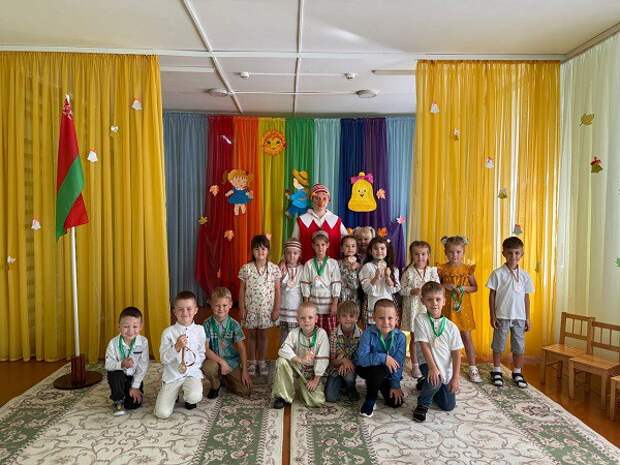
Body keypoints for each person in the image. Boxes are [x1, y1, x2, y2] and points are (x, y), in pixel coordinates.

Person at [487, 236, 534, 388]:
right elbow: (492, 295)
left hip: (519, 317)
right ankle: (496, 370)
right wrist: (492, 315)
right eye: (510, 253)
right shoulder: (497, 273)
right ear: (503, 254)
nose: (513, 256)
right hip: (502, 316)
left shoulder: (525, 275)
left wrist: (527, 317)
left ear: (522, 254)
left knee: (519, 346)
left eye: (517, 253)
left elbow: (526, 297)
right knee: (498, 345)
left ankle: (517, 372)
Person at [413, 281, 464, 422]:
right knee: (435, 381)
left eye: (438, 299)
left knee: (448, 406)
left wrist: (455, 378)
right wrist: (432, 368)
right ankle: (423, 404)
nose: (434, 303)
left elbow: (456, 354)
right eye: (429, 299)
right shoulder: (420, 319)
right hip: (427, 363)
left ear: (444, 301)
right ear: (423, 301)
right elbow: (424, 345)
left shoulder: (451, 327)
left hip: (444, 368)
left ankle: (425, 384)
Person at [154, 291, 207, 419]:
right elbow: (163, 359)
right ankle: (171, 391)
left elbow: (201, 352)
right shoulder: (168, 332)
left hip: (191, 373)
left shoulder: (200, 330)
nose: (185, 313)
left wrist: (194, 367)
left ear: (195, 310)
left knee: (194, 396)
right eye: (180, 309)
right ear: (174, 312)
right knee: (162, 413)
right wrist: (176, 347)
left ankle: (188, 395)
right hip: (173, 375)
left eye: (189, 309)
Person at [437, 235, 482, 383]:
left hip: (463, 309)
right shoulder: (442, 269)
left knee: (466, 337)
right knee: (445, 337)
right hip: (447, 309)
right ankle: (445, 366)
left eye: (458, 252)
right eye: (451, 252)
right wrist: (445, 286)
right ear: (446, 252)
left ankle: (472, 367)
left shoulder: (467, 269)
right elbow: (436, 287)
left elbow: (475, 287)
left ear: (463, 252)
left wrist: (463, 288)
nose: (454, 255)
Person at [272, 302, 329, 408]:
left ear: (316, 319)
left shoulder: (321, 334)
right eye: (302, 318)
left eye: (310, 317)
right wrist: (299, 359)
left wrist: (316, 380)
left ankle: (301, 387)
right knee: (281, 361)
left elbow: (323, 359)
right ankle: (283, 396)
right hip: (297, 367)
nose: (306, 321)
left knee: (317, 402)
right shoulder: (294, 333)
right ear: (297, 320)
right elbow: (283, 349)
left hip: (312, 374)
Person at [239, 234, 281, 376]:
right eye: (257, 249)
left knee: (263, 336)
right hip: (250, 310)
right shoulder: (246, 268)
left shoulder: (274, 269)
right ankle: (252, 361)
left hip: (266, 310)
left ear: (268, 250)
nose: (260, 252)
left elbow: (277, 290)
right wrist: (242, 308)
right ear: (252, 251)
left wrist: (276, 309)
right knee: (251, 336)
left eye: (263, 249)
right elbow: (242, 290)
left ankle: (261, 361)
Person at [355, 299, 406, 417]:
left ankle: (379, 384)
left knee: (395, 402)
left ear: (396, 319)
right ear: (374, 318)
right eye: (381, 318)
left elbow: (398, 363)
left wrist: (395, 385)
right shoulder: (367, 334)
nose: (386, 322)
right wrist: (383, 358)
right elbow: (361, 359)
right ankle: (370, 400)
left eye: (390, 318)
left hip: (386, 372)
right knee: (379, 369)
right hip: (366, 368)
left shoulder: (401, 337)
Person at [400, 240, 440, 379]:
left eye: (423, 254)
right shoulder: (408, 272)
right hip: (414, 309)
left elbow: (438, 288)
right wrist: (412, 291)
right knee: (415, 338)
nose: (420, 257)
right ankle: (415, 365)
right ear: (411, 255)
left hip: (428, 308)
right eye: (416, 254)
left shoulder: (432, 271)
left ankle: (430, 363)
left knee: (430, 337)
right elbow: (401, 290)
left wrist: (430, 291)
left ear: (428, 255)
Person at [202, 287, 252, 398]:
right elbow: (206, 349)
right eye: (217, 305)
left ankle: (224, 379)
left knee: (245, 391)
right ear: (211, 305)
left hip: (231, 362)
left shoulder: (234, 324)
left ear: (230, 305)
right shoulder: (207, 324)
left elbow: (242, 349)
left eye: (224, 305)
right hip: (214, 360)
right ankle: (215, 385)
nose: (221, 309)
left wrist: (244, 371)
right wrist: (222, 362)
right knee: (208, 367)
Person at [105, 306, 149, 416]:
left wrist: (135, 387)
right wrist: (121, 364)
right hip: (119, 376)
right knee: (115, 374)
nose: (130, 331)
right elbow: (108, 365)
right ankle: (118, 400)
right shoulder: (113, 343)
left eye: (135, 326)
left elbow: (143, 366)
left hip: (133, 377)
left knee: (132, 405)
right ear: (119, 326)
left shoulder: (143, 342)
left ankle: (127, 393)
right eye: (126, 326)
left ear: (141, 327)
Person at [291, 184, 348, 262]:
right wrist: (284, 260)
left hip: (332, 266)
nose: (321, 201)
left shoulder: (336, 220)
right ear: (312, 199)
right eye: (317, 198)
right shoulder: (301, 220)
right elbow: (293, 245)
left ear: (328, 200)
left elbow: (347, 242)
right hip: (307, 266)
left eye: (324, 198)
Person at [300, 230, 341, 336]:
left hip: (329, 307)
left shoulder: (333, 263)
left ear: (328, 245)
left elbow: (336, 284)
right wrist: (306, 305)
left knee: (331, 334)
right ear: (313, 246)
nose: (320, 248)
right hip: (314, 307)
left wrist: (335, 304)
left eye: (323, 244)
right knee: (314, 334)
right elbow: (305, 284)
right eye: (317, 245)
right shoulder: (309, 264)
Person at [325, 301, 362, 402]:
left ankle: (350, 388)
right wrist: (343, 361)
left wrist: (348, 363)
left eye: (351, 316)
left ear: (357, 318)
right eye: (344, 316)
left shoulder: (361, 335)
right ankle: (341, 384)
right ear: (338, 318)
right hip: (335, 368)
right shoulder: (334, 335)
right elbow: (332, 360)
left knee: (349, 377)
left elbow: (360, 358)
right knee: (330, 397)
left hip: (352, 367)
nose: (348, 319)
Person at [359, 236, 401, 325]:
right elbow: (366, 289)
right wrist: (376, 278)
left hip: (388, 302)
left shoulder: (392, 268)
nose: (379, 251)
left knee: (387, 325)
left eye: (382, 248)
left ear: (387, 250)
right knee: (373, 327)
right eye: (376, 248)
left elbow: (396, 289)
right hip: (372, 303)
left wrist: (388, 278)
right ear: (370, 251)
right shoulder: (367, 267)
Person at [279, 239, 304, 345]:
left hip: (296, 307)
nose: (292, 256)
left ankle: (295, 354)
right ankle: (283, 353)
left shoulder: (303, 268)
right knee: (283, 334)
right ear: (284, 254)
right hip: (283, 307)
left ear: (299, 254)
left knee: (295, 334)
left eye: (295, 253)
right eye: (288, 253)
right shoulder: (280, 268)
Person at [339, 235, 361, 306]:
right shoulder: (337, 264)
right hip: (340, 299)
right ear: (342, 248)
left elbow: (355, 286)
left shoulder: (359, 266)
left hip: (354, 300)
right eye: (347, 246)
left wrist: (352, 270)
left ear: (357, 249)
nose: (350, 248)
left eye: (353, 246)